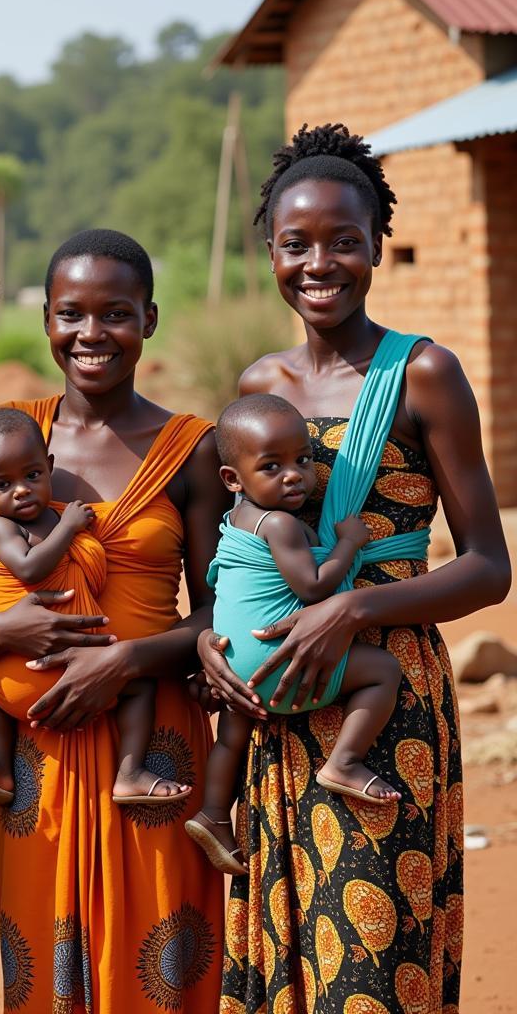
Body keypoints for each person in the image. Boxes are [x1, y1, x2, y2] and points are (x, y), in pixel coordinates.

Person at [198, 124, 510, 1012]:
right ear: (270, 253)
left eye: (344, 241)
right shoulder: (261, 385)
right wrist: (213, 642)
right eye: (296, 245)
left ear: (378, 245)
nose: (319, 263)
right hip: (276, 707)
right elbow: (242, 547)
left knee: (373, 966)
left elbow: (489, 566)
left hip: (381, 711)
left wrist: (353, 613)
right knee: (287, 959)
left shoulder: (423, 373)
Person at [0, 229, 227, 1013]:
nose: (91, 334)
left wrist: (126, 662)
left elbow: (216, 612)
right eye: (72, 314)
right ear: (45, 321)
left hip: (156, 745)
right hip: (41, 750)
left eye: (117, 314)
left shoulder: (191, 449)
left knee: (162, 965)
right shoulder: (4, 445)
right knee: (45, 960)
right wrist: (9, 634)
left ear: (151, 319)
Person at [185, 393, 403, 875]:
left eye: (303, 460)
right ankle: (345, 761)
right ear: (231, 479)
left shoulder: (234, 521)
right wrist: (348, 544)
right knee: (383, 671)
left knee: (232, 737)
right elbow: (314, 586)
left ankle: (215, 814)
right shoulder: (281, 525)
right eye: (272, 466)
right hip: (281, 656)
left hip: (235, 660)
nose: (294, 475)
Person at [0, 406, 188, 806]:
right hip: (34, 672)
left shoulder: (55, 515)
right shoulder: (0, 525)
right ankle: (129, 772)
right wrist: (69, 529)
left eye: (32, 476)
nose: (21, 490)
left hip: (71, 672)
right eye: (3, 484)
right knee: (140, 689)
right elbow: (30, 569)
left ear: (49, 467)